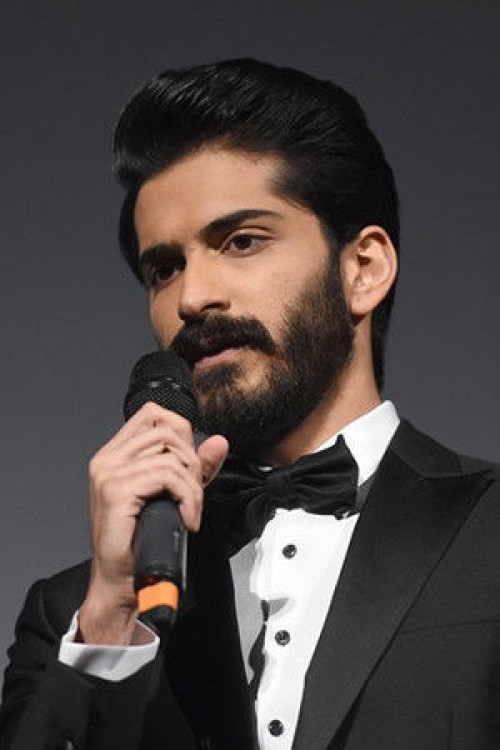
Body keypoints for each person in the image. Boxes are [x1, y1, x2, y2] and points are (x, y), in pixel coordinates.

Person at [1, 58, 499, 750]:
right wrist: (110, 623)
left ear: (363, 269)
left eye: (241, 241)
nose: (192, 297)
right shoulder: (71, 615)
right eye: (164, 268)